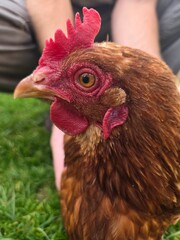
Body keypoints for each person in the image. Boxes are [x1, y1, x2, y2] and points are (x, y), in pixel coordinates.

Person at [0, 0, 180, 189]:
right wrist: (61, 77)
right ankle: (76, 94)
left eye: (86, 80)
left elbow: (136, 4)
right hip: (44, 16)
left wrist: (156, 105)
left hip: (142, 18)